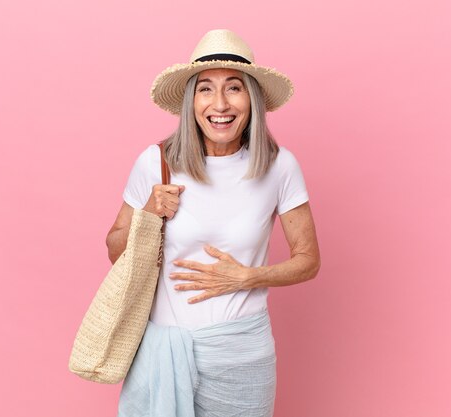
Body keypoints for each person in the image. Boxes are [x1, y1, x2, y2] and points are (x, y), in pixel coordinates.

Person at [106, 29, 321, 417]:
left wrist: (246, 278)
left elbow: (308, 260)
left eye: (233, 88)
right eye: (206, 89)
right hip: (163, 351)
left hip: (242, 353)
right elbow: (114, 250)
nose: (219, 103)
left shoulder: (279, 165)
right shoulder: (156, 163)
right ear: (191, 101)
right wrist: (148, 215)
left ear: (251, 100)